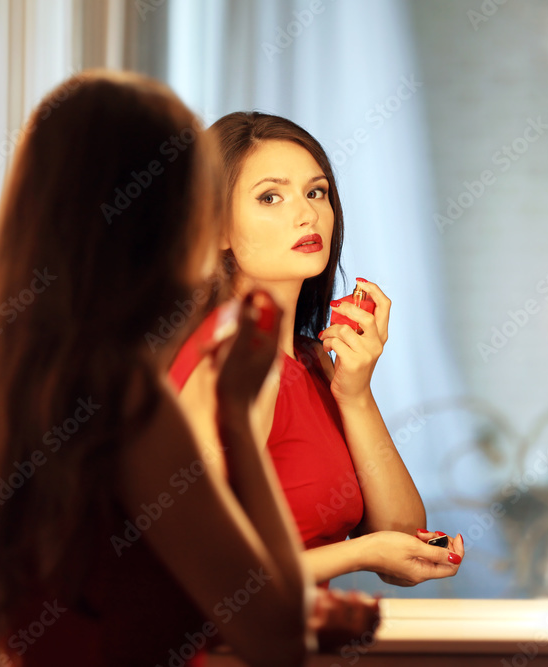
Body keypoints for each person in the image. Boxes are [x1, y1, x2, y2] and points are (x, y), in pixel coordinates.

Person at [0, 71, 376, 667]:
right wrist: (239, 424)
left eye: (316, 192)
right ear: (166, 220)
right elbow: (275, 639)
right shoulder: (131, 408)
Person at [171, 112, 464, 587]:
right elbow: (201, 568)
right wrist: (360, 554)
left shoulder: (309, 360)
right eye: (271, 196)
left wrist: (355, 394)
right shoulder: (234, 360)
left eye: (316, 192)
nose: (306, 214)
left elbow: (404, 538)